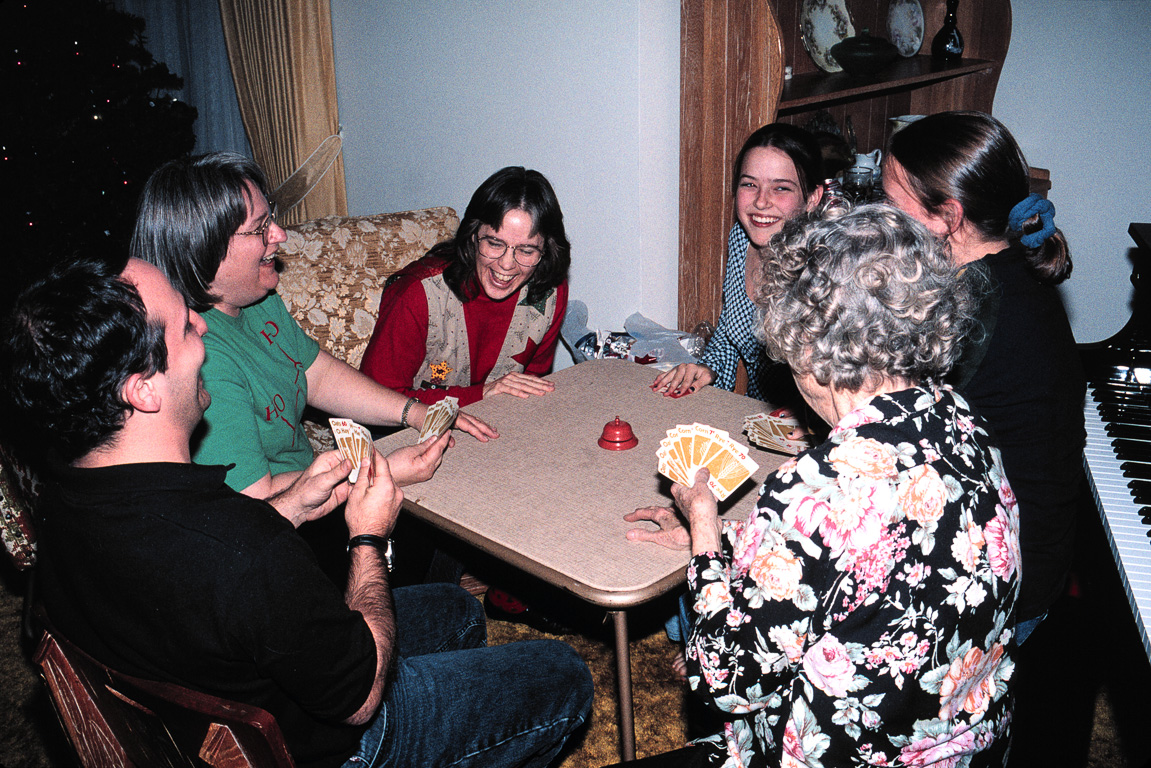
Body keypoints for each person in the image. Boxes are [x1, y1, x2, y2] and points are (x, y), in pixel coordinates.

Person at [0, 253, 593, 768]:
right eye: (184, 327)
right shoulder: (240, 549)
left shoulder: (63, 501)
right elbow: (360, 695)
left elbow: (198, 569)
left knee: (456, 608)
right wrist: (368, 539)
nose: (203, 325)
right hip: (330, 746)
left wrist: (292, 504)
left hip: (208, 677)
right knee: (562, 674)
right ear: (142, 389)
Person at [626, 204, 1020, 767]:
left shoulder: (812, 489)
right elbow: (873, 559)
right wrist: (747, 538)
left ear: (807, 344)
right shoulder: (964, 422)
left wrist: (706, 526)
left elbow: (726, 675)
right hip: (967, 746)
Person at [130, 152, 498, 514]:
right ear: (203, 247)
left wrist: (415, 412)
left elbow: (315, 374)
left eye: (270, 217)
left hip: (320, 488)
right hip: (279, 527)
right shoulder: (199, 359)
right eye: (260, 229)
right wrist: (378, 471)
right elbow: (259, 502)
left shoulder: (256, 296)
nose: (279, 234)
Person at [882, 111, 1085, 643]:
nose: (882, 217)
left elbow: (892, 435)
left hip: (1004, 580)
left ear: (947, 216)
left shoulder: (974, 305)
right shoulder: (1013, 267)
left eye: (891, 204)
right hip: (1039, 545)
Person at [360, 166, 570, 407]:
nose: (506, 264)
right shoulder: (416, 294)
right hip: (398, 431)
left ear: (546, 251)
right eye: (494, 243)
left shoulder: (551, 292)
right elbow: (372, 401)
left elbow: (529, 391)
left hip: (496, 423)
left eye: (526, 250)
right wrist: (481, 394)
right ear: (472, 235)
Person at [652, 123, 824, 401]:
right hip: (756, 418)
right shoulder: (741, 240)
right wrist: (706, 369)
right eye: (749, 184)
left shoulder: (826, 270)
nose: (761, 202)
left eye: (781, 188)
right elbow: (730, 336)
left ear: (812, 198)